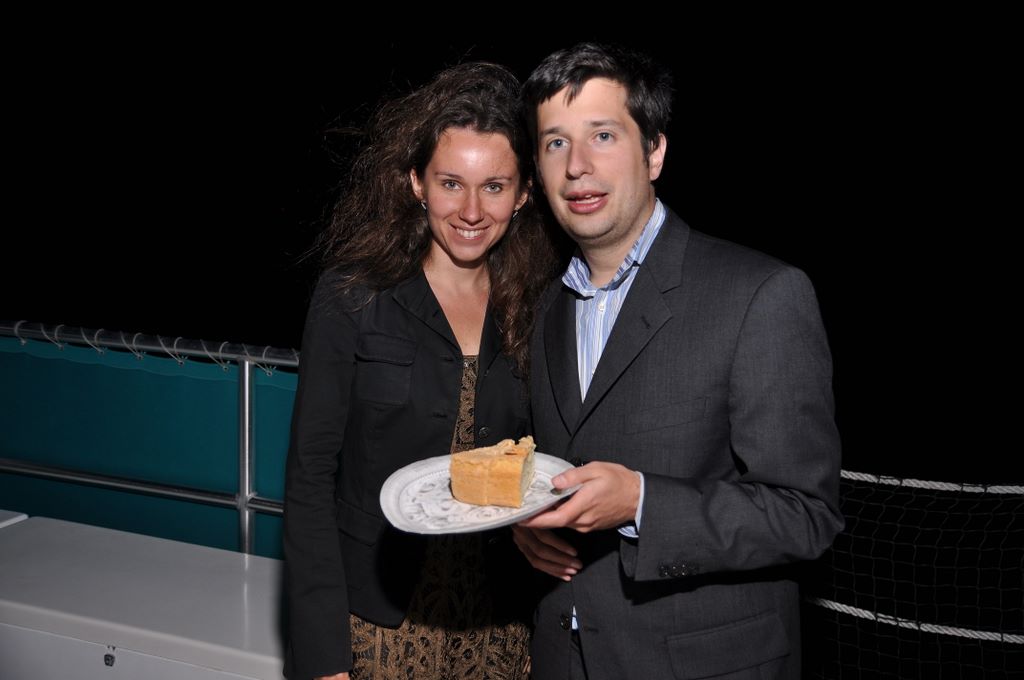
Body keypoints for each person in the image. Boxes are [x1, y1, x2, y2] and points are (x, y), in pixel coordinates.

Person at [510, 43, 844, 679]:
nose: (577, 166)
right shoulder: (546, 307)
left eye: (602, 135)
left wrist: (642, 504)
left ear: (654, 151)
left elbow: (807, 515)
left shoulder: (760, 294)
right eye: (555, 143)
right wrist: (526, 521)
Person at [283, 62, 558, 680]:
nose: (471, 210)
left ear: (523, 194)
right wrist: (323, 656)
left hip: (497, 623)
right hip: (376, 622)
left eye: (494, 186)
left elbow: (549, 457)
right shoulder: (352, 295)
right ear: (416, 183)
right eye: (450, 182)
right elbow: (309, 479)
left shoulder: (540, 304)